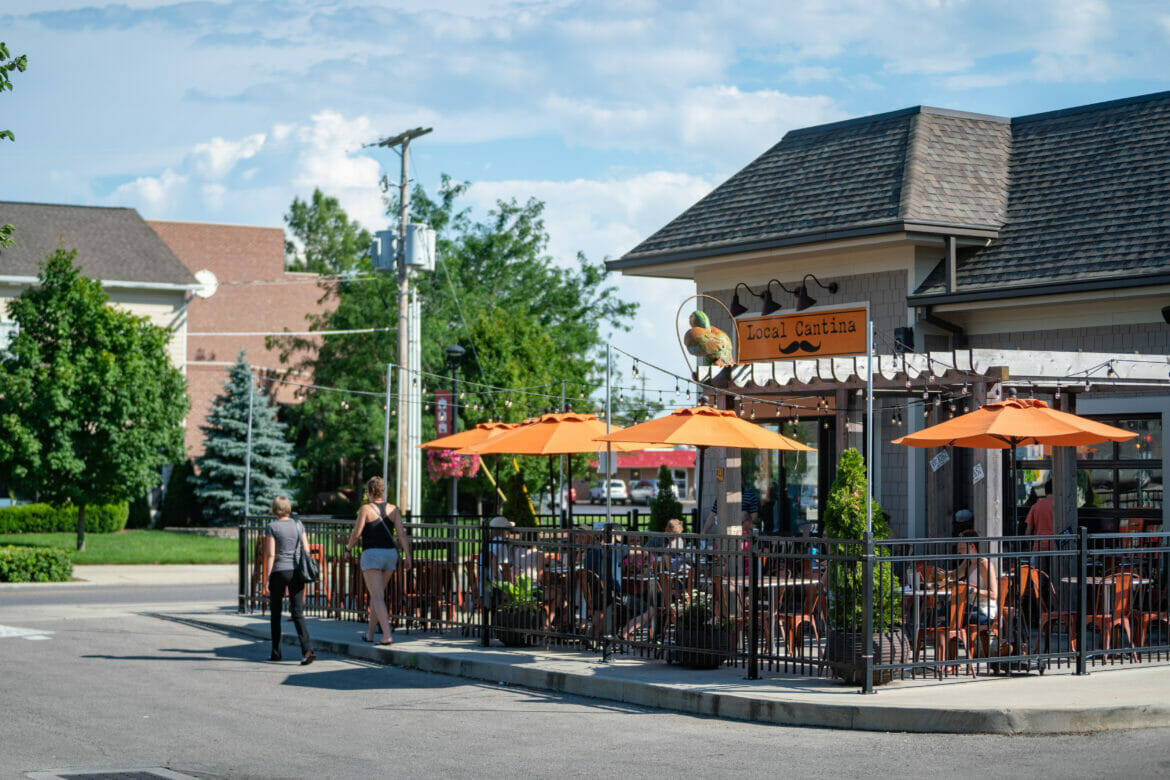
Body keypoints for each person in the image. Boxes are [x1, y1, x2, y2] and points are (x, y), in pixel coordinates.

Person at [346, 476, 412, 645]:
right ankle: (370, 634)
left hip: (372, 554)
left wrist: (348, 549)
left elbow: (356, 533)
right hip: (390, 554)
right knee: (378, 596)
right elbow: (402, 534)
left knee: (376, 597)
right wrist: (407, 555)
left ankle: (387, 635)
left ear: (369, 492)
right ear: (383, 491)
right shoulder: (393, 509)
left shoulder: (365, 509)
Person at [262, 496, 314, 664]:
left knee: (275, 613)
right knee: (297, 612)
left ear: (274, 509)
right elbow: (306, 549)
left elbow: (271, 554)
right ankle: (307, 649)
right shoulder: (298, 525)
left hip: (279, 571)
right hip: (297, 571)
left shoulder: (272, 527)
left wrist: (267, 578)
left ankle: (276, 652)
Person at [952, 530, 998, 626]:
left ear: (972, 546)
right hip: (969, 606)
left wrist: (971, 589)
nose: (959, 551)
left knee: (950, 614)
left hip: (983, 611)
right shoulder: (968, 561)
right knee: (943, 610)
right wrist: (938, 573)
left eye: (962, 548)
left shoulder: (984, 564)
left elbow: (994, 594)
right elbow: (954, 575)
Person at [1025, 478, 1055, 552]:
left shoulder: (1035, 507)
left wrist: (1030, 547)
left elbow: (1028, 533)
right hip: (1056, 547)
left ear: (1045, 491)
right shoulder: (1060, 507)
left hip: (1038, 547)